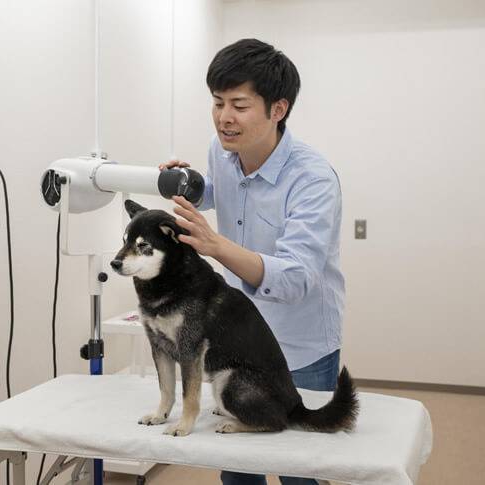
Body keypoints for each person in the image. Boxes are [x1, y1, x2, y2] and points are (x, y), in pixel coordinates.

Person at [160, 38, 345, 485]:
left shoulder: (313, 179)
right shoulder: (220, 152)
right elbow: (220, 196)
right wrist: (192, 188)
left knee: (299, 468)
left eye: (239, 105)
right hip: (237, 336)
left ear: (278, 109)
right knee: (239, 465)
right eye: (218, 102)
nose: (225, 117)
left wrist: (216, 246)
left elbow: (296, 278)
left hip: (299, 343)